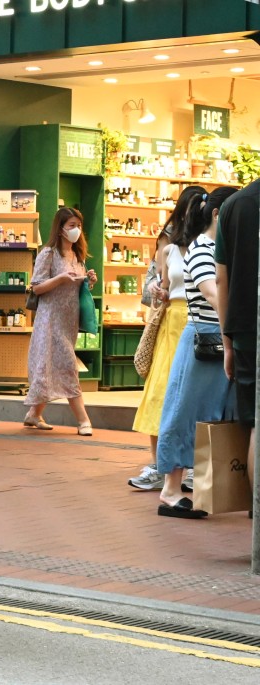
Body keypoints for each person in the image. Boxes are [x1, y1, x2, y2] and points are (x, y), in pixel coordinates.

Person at [154, 187, 238, 517]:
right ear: (218, 214)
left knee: (214, 414)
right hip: (205, 340)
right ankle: (170, 490)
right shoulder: (202, 249)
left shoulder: (220, 248)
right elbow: (216, 297)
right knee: (187, 411)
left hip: (217, 339)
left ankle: (203, 487)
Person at [127, 185, 205, 490]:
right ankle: (161, 465)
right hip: (171, 323)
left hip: (201, 323)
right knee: (159, 391)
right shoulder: (169, 245)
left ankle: (193, 467)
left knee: (194, 394)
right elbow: (158, 285)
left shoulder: (211, 244)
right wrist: (156, 291)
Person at [23, 207, 97, 435]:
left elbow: (77, 286)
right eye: (71, 225)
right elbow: (36, 287)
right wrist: (61, 278)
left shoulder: (77, 255)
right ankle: (83, 420)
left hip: (69, 320)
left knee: (49, 366)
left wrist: (88, 280)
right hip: (50, 319)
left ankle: (34, 414)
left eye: (79, 225)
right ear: (61, 228)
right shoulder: (49, 253)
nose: (76, 230)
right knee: (67, 365)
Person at [215, 176, 260, 511]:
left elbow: (221, 279)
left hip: (246, 334)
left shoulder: (233, 206)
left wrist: (227, 344)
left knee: (256, 426)